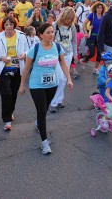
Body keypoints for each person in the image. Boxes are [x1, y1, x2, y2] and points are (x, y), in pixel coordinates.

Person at [19, 22, 74, 155]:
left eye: (52, 32)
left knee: (45, 108)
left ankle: (39, 122)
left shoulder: (57, 46)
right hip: (36, 85)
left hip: (52, 84)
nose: (51, 35)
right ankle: (44, 142)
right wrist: (22, 85)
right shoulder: (35, 49)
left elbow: (63, 63)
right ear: (41, 35)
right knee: (42, 111)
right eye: (48, 32)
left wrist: (69, 79)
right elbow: (26, 68)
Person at [0, 16, 30, 131]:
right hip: (4, 69)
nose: (9, 27)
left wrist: (24, 54)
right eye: (6, 24)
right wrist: (1, 58)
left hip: (17, 69)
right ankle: (6, 119)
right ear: (3, 26)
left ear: (14, 25)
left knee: (13, 93)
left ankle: (10, 112)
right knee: (6, 94)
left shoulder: (21, 36)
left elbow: (29, 49)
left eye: (11, 24)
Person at [50, 8, 77, 112]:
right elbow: (50, 39)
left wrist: (75, 54)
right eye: (67, 19)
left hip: (68, 53)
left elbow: (74, 41)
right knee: (59, 78)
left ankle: (59, 100)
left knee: (65, 78)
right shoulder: (55, 25)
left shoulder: (72, 26)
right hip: (56, 54)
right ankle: (53, 102)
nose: (69, 21)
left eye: (71, 19)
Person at [82, 1, 106, 74]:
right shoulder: (92, 15)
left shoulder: (103, 17)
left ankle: (95, 68)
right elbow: (84, 23)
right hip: (92, 36)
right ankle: (84, 59)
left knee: (99, 53)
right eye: (98, 7)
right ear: (95, 8)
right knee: (92, 53)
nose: (99, 9)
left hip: (100, 37)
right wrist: (86, 31)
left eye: (101, 8)